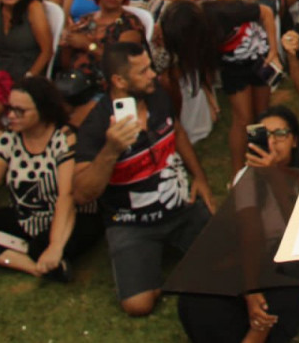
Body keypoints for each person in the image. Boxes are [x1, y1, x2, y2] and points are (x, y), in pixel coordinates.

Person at [73, 42, 214, 317]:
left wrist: (201, 179)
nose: (153, 74)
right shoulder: (96, 127)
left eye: (150, 67)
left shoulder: (157, 95)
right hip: (132, 225)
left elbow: (179, 132)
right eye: (143, 71)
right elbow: (82, 193)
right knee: (138, 305)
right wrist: (111, 150)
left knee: (227, 256)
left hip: (180, 207)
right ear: (119, 81)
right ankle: (150, 264)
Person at [175, 104, 299, 343]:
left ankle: (257, 334)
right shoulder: (247, 175)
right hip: (258, 258)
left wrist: (273, 176)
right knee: (197, 295)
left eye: (280, 134)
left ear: (294, 140)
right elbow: (248, 233)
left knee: (282, 296)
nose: (272, 141)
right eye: (264, 135)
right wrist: (251, 290)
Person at [0, 77, 101, 280]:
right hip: (26, 219)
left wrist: (55, 246)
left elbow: (67, 196)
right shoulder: (8, 138)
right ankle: (34, 267)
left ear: (42, 110)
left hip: (69, 218)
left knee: (43, 245)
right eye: (9, 109)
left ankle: (33, 255)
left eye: (20, 111)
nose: (11, 116)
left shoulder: (64, 138)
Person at [160, 0, 283, 174]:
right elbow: (203, 69)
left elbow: (266, 12)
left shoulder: (222, 11)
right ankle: (238, 174)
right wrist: (211, 100)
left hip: (260, 57)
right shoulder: (191, 42)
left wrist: (273, 50)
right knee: (243, 119)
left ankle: (261, 163)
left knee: (261, 116)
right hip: (231, 65)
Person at [57, 0, 146, 87]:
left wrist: (88, 45)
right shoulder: (86, 20)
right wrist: (66, 45)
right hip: (74, 84)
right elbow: (65, 65)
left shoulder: (130, 24)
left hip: (108, 87)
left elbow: (121, 65)